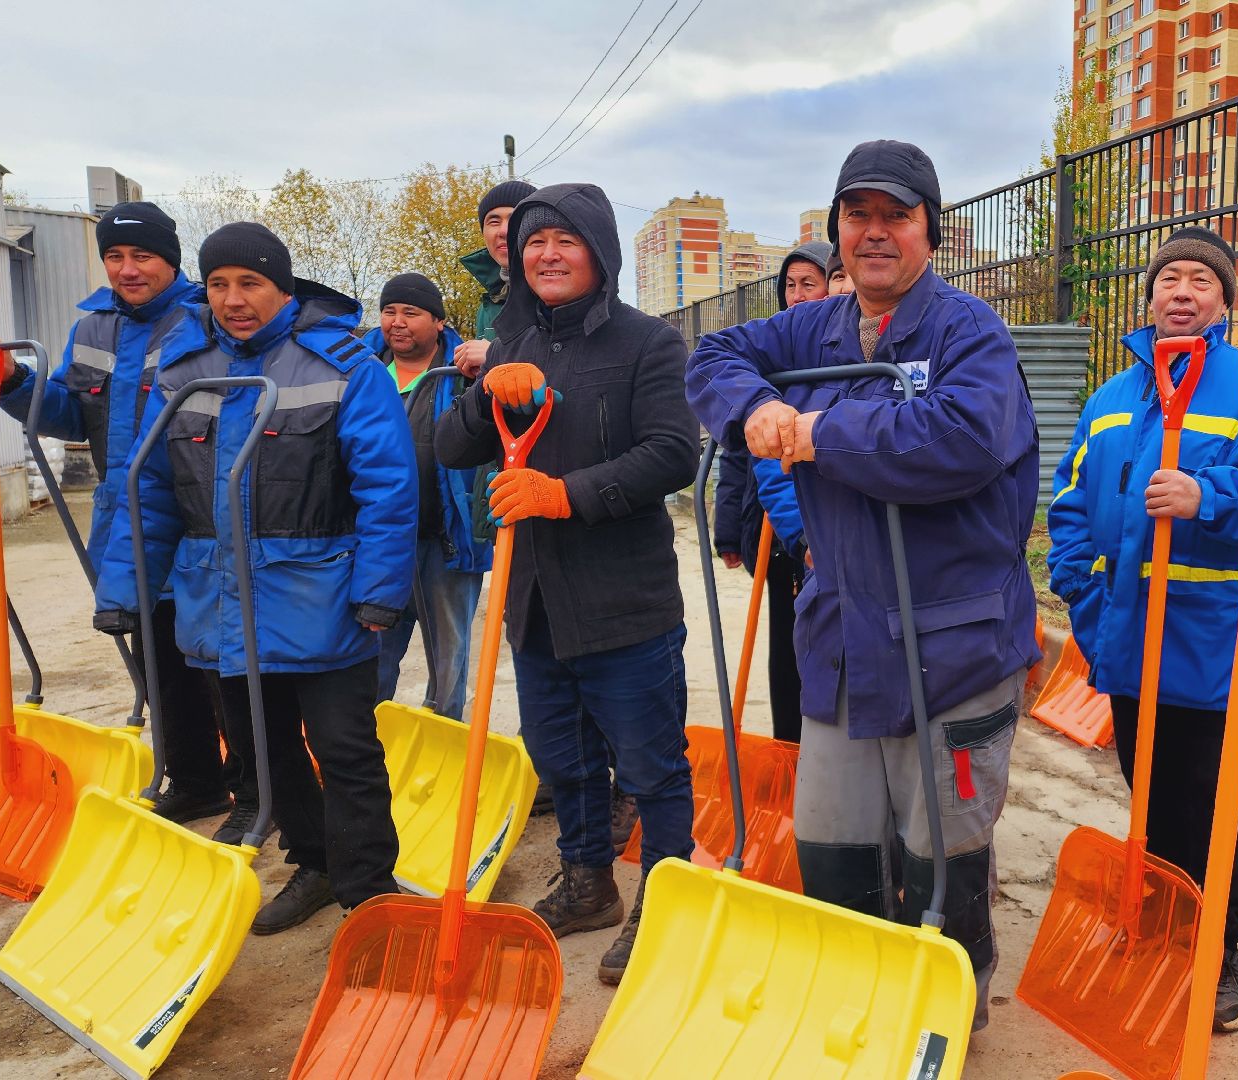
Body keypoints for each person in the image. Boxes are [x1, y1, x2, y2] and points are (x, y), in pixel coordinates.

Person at [686, 139, 1041, 1030]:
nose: (875, 233)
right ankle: (860, 1002)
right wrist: (753, 406)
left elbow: (957, 442)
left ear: (931, 231)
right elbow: (713, 355)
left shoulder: (970, 333)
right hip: (844, 645)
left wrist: (816, 433)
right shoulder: (814, 326)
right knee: (833, 850)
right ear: (837, 229)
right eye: (859, 216)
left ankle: (950, 1013)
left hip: (953, 649)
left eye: (896, 216)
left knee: (942, 858)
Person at [96, 221, 415, 934]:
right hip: (222, 601)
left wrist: (380, 591)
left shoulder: (338, 364)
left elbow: (388, 488)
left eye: (251, 283)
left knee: (345, 748)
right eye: (218, 285)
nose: (234, 299)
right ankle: (316, 863)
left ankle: (370, 891)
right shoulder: (184, 371)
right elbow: (147, 492)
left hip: (325, 596)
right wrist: (126, 591)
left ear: (281, 287)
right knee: (263, 754)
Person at [1047, 227, 1238, 1032]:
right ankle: (1162, 924)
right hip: (1127, 642)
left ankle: (1217, 946)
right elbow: (1067, 509)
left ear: (1225, 303)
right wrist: (1089, 606)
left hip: (1214, 646)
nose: (1183, 291)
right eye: (1170, 277)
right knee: (1154, 797)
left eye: (1202, 280)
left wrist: (1210, 497)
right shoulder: (1110, 400)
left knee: (1223, 807)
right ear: (1151, 296)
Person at [434, 182, 698, 985]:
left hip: (625, 598)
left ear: (599, 253)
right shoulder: (513, 340)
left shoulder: (649, 343)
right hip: (537, 597)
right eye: (534, 243)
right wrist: (487, 395)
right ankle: (588, 884)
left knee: (650, 764)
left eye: (566, 241)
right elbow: (450, 447)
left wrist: (565, 494)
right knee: (566, 759)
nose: (547, 254)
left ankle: (668, 896)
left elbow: (672, 453)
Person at [0, 202, 247, 838]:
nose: (127, 269)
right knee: (156, 654)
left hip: (200, 513)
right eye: (115, 256)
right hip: (126, 518)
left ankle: (253, 788)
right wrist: (12, 379)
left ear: (170, 258)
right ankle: (196, 782)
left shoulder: (208, 317)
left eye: (141, 255)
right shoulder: (94, 328)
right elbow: (65, 415)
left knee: (219, 655)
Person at [710, 239, 832, 742]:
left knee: (822, 645)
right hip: (775, 533)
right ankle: (788, 744)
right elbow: (737, 453)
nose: (799, 295)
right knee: (785, 642)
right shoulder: (772, 358)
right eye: (791, 285)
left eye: (811, 283)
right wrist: (727, 531)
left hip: (822, 526)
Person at [361, 273, 489, 719]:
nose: (397, 322)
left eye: (411, 313)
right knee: (371, 651)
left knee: (447, 657)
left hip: (445, 539)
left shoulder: (463, 374)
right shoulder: (364, 372)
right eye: (390, 311)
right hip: (379, 544)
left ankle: (442, 736)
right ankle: (365, 747)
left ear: (438, 322)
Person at [455, 178, 536, 377]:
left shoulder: (558, 294)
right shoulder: (488, 305)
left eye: (515, 218)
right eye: (493, 221)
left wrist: (494, 355)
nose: (503, 231)